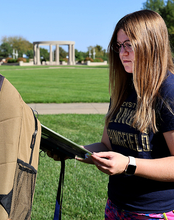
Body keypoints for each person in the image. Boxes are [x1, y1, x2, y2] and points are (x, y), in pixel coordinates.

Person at [48, 9, 174, 220]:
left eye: (129, 45)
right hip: (116, 205)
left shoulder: (168, 91)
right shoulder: (124, 88)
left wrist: (128, 164)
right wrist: (70, 150)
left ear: (151, 45)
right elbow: (106, 146)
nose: (122, 52)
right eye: (119, 45)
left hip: (154, 212)